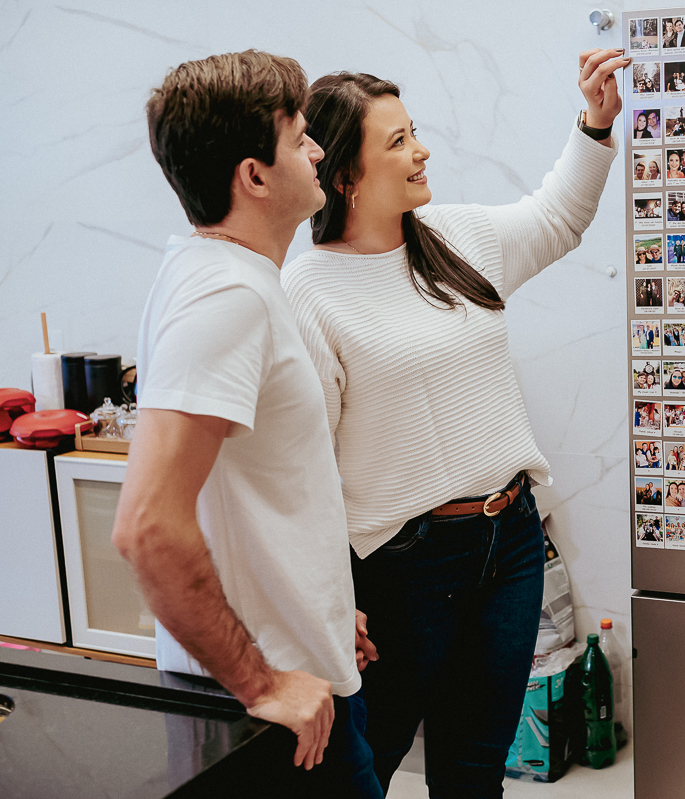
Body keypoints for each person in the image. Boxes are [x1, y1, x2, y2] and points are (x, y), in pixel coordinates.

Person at [281, 48, 627, 793]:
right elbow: (303, 475)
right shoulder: (307, 290)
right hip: (404, 570)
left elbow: (558, 217)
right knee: (369, 761)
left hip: (509, 545)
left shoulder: (453, 236)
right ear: (345, 174)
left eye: (415, 131)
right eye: (397, 140)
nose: (421, 149)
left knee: (476, 766)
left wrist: (595, 124)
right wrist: (331, 602)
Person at [113, 51, 382, 797]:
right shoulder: (227, 298)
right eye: (300, 138)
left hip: (299, 678)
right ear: (254, 175)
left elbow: (253, 490)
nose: (319, 149)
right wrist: (261, 680)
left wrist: (319, 602)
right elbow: (148, 527)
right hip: (271, 716)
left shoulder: (226, 275)